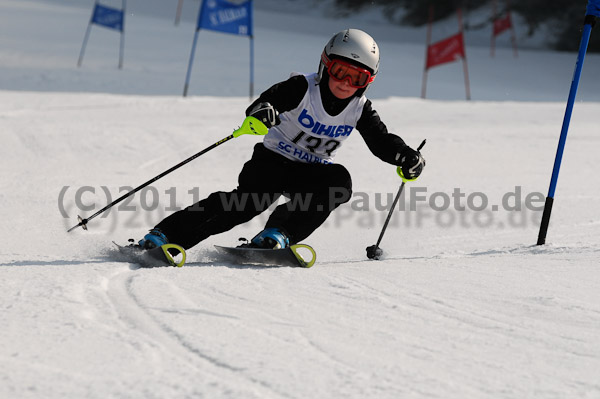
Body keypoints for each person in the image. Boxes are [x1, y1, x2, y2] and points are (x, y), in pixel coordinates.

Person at [138, 28, 425, 251]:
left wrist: (406, 156)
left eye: (357, 78)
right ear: (326, 65)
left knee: (339, 183)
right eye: (340, 72)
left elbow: (382, 141)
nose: (345, 83)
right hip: (272, 162)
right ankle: (166, 235)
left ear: (368, 82)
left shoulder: (360, 108)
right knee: (247, 204)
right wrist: (263, 113)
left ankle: (277, 235)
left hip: (310, 172)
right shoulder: (302, 87)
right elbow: (266, 101)